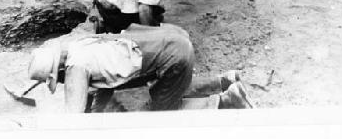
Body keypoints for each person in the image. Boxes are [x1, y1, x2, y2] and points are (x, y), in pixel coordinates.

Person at [27, 23, 253, 112]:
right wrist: (96, 112)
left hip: (172, 57)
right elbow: (104, 85)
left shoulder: (75, 69)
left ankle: (224, 102)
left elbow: (74, 125)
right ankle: (225, 81)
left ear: (58, 72)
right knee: (164, 88)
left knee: (160, 113)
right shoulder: (81, 45)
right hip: (170, 39)